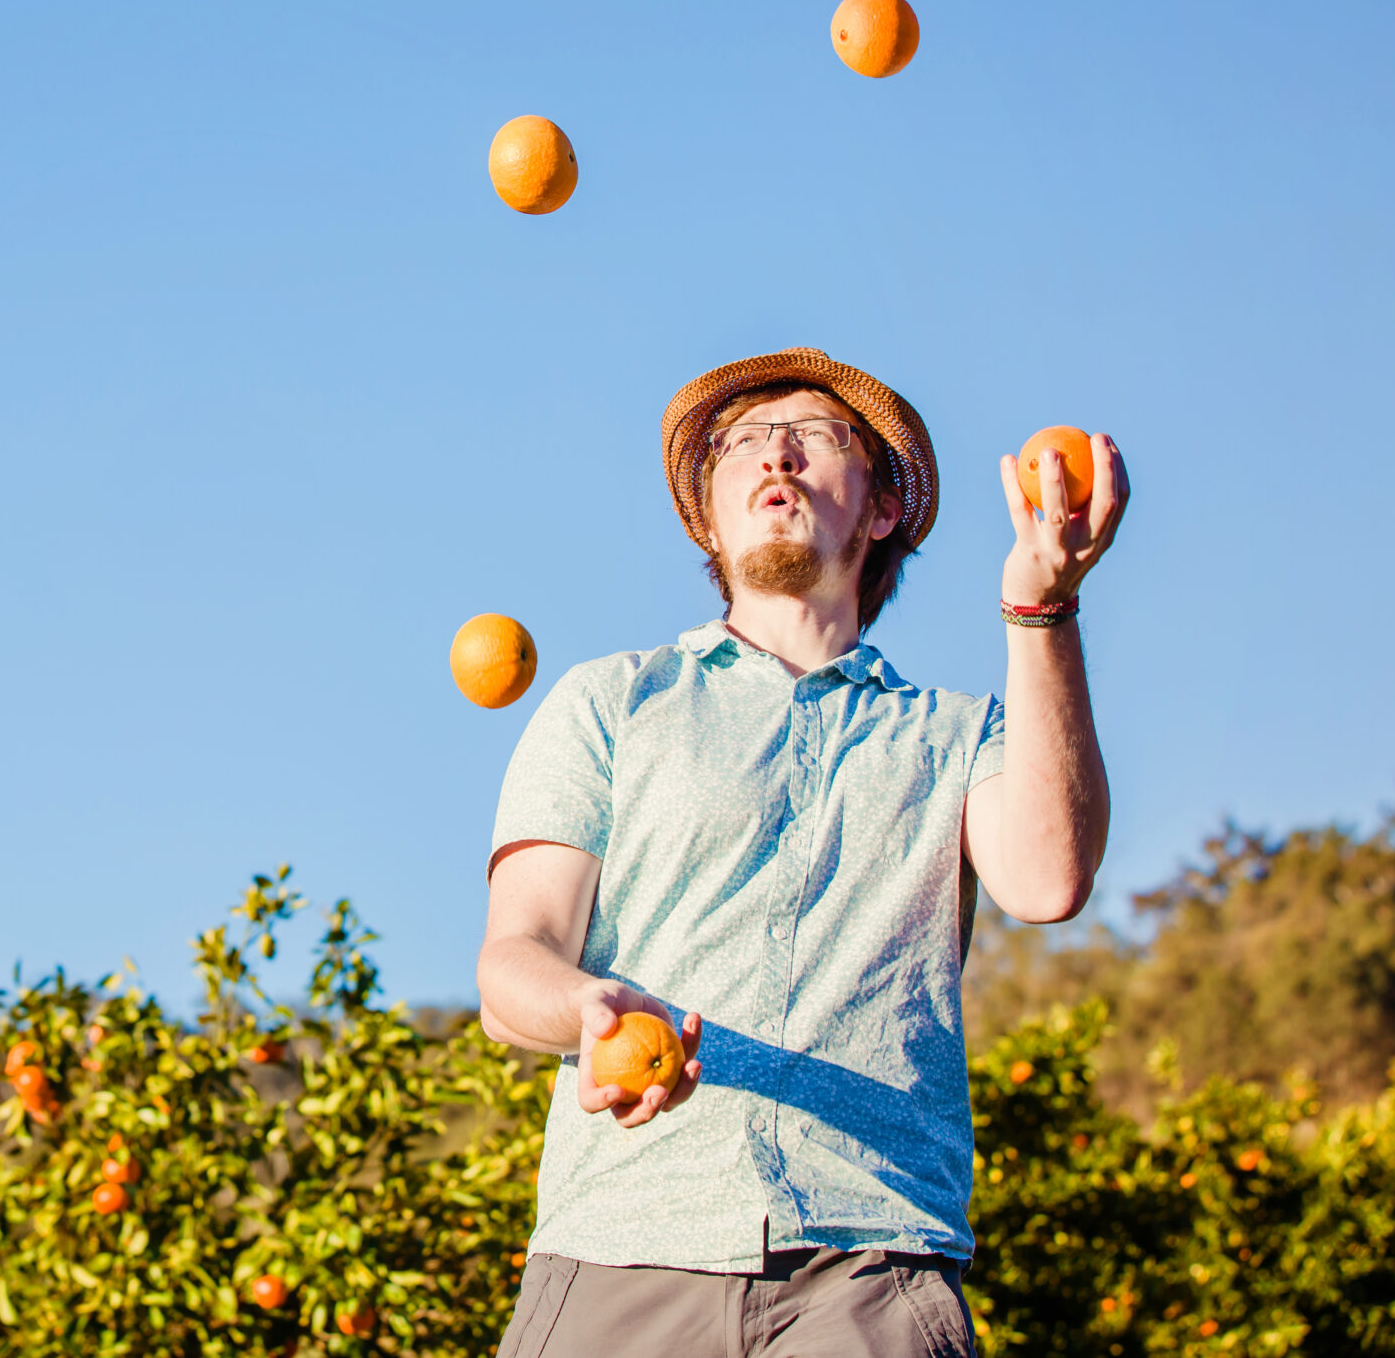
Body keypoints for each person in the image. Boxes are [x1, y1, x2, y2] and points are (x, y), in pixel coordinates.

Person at [477, 347, 1127, 1357]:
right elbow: (512, 958)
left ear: (878, 513)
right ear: (711, 513)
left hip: (869, 1269)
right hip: (620, 1248)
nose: (774, 456)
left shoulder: (957, 734)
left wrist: (1040, 607)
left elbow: (1047, 880)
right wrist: (581, 1005)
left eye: (816, 440)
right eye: (742, 445)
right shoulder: (612, 700)